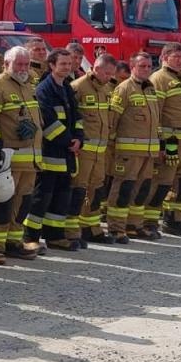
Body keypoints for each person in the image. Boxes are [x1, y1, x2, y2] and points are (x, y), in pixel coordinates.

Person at [0, 45, 40, 262]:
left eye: (27, 64)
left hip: (31, 158)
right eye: (19, 64)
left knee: (23, 202)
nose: (23, 68)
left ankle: (13, 242)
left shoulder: (29, 85)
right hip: (9, 157)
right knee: (2, 203)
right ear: (6, 64)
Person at [104, 52, 160, 243]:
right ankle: (116, 228)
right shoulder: (124, 89)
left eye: (149, 66)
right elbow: (112, 121)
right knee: (123, 189)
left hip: (148, 152)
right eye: (142, 66)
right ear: (132, 67)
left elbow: (155, 121)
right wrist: (112, 148)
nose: (146, 69)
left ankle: (134, 225)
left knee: (141, 190)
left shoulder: (150, 89)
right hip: (127, 152)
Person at [31, 48, 82, 250]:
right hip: (50, 153)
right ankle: (31, 237)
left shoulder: (67, 88)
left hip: (66, 154)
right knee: (42, 197)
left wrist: (79, 138)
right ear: (52, 65)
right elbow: (48, 122)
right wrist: (69, 142)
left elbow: (77, 117)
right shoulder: (44, 90)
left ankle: (55, 236)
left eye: (69, 64)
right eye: (63, 64)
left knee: (61, 197)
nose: (67, 67)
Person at [149, 42, 181, 237]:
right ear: (164, 57)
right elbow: (156, 113)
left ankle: (174, 220)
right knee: (162, 182)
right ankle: (150, 221)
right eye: (176, 57)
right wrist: (162, 143)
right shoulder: (160, 79)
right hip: (171, 142)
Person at [67, 50, 118, 244]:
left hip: (100, 151)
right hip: (83, 150)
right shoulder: (78, 87)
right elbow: (71, 119)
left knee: (96, 191)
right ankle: (72, 231)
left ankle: (92, 228)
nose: (109, 77)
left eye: (111, 73)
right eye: (106, 73)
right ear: (96, 68)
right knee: (78, 189)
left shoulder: (106, 90)